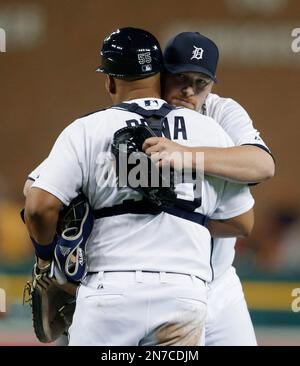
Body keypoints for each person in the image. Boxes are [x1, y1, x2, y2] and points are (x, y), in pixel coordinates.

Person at [24, 27, 254, 346]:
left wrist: (46, 259)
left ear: (110, 80)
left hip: (109, 293)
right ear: (159, 75)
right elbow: (243, 222)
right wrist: (177, 215)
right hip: (185, 294)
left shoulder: (88, 128)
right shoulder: (211, 132)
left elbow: (38, 206)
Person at [142, 32, 275, 346]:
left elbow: (263, 165)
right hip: (163, 284)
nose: (189, 90)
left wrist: (185, 155)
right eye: (181, 78)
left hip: (219, 283)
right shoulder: (139, 113)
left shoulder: (220, 111)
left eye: (201, 82)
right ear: (162, 75)